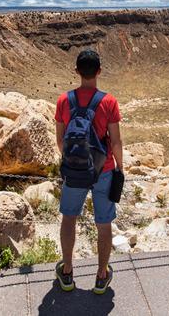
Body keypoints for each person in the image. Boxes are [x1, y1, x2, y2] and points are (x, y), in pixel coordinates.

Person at [54, 49, 123, 295]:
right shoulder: (108, 101)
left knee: (69, 218)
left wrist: (72, 161)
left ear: (77, 72)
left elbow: (61, 141)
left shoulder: (64, 100)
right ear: (99, 71)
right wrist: (119, 169)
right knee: (103, 224)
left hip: (74, 171)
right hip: (103, 171)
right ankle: (102, 275)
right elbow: (114, 142)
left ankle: (68, 270)